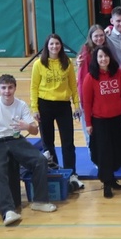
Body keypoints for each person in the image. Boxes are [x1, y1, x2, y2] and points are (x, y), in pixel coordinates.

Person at [0, 75, 59, 224]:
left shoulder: (21, 105)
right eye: (3, 88)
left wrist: (27, 126)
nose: (7, 91)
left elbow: (34, 130)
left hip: (16, 139)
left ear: (15, 88)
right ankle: (7, 211)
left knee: (40, 160)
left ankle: (40, 201)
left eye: (10, 87)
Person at [30, 33, 82, 190]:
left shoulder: (67, 62)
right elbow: (34, 87)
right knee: (48, 143)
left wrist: (76, 105)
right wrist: (34, 108)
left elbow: (73, 85)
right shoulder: (39, 64)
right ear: (47, 46)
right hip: (44, 105)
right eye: (51, 44)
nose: (54, 46)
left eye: (57, 44)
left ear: (61, 46)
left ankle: (72, 174)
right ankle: (55, 172)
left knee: (68, 142)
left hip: (63, 105)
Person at [82, 46, 121, 199]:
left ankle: (111, 178)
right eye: (100, 57)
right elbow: (87, 103)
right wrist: (88, 123)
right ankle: (106, 183)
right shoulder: (90, 77)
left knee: (117, 151)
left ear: (110, 57)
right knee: (104, 153)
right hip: (100, 121)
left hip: (117, 119)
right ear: (96, 59)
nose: (103, 59)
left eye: (105, 56)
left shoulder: (118, 73)